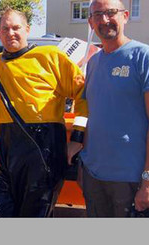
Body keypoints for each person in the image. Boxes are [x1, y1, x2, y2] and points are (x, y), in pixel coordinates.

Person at [0, 8, 88, 217]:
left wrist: (78, 137)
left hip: (44, 151)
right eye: (5, 29)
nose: (10, 33)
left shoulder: (51, 56)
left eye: (16, 27)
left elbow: (84, 95)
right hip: (6, 150)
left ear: (27, 29)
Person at [80, 0, 149, 217]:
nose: (104, 20)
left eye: (111, 12)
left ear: (125, 15)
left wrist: (147, 180)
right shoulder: (93, 62)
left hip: (130, 179)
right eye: (97, 15)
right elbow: (94, 114)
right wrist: (84, 163)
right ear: (91, 22)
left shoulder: (143, 57)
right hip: (94, 176)